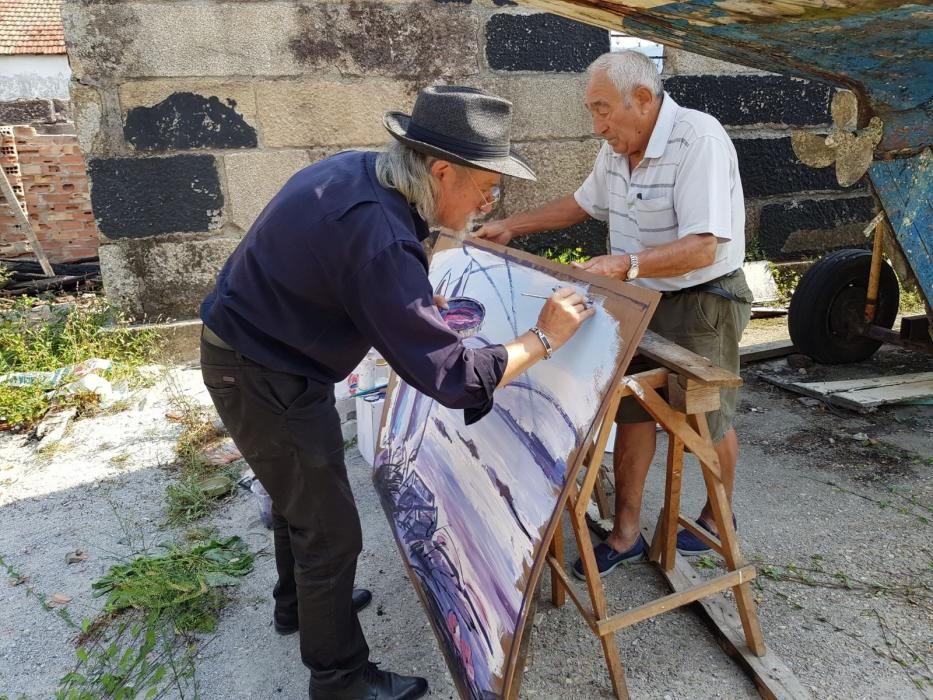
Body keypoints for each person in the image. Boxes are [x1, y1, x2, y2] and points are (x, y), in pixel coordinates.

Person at [199, 86, 594, 700]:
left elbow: (350, 268)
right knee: (329, 530)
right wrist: (544, 337)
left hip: (259, 351)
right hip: (261, 369)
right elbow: (453, 377)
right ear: (441, 171)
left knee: (300, 493)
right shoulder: (379, 233)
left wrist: (400, 297)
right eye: (487, 185)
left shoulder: (364, 171)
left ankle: (299, 607)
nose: (491, 200)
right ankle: (340, 681)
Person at [474, 51, 753, 578]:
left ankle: (718, 514)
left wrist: (625, 263)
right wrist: (514, 226)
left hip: (702, 298)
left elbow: (704, 247)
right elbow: (582, 204)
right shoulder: (617, 149)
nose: (597, 125)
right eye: (592, 111)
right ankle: (625, 534)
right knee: (632, 410)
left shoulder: (700, 139)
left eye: (603, 110)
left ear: (643, 100)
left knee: (705, 415)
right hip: (637, 299)